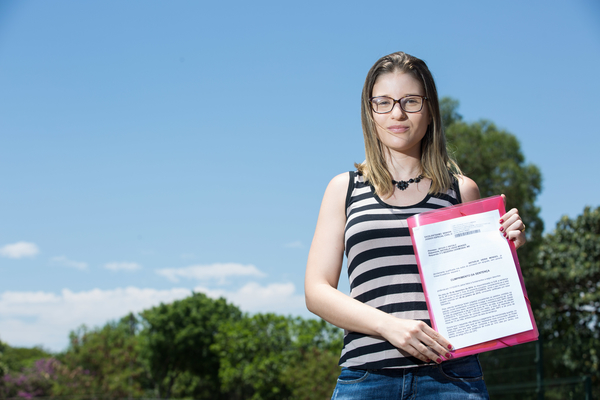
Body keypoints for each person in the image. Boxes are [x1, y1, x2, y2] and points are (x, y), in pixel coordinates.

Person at [304, 51, 527, 399]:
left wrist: (507, 249)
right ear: (370, 111)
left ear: (430, 110)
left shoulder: (461, 190)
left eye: (410, 101)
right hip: (366, 377)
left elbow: (486, 291)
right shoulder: (343, 189)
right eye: (384, 102)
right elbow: (316, 291)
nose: (397, 113)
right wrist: (390, 327)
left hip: (452, 378)